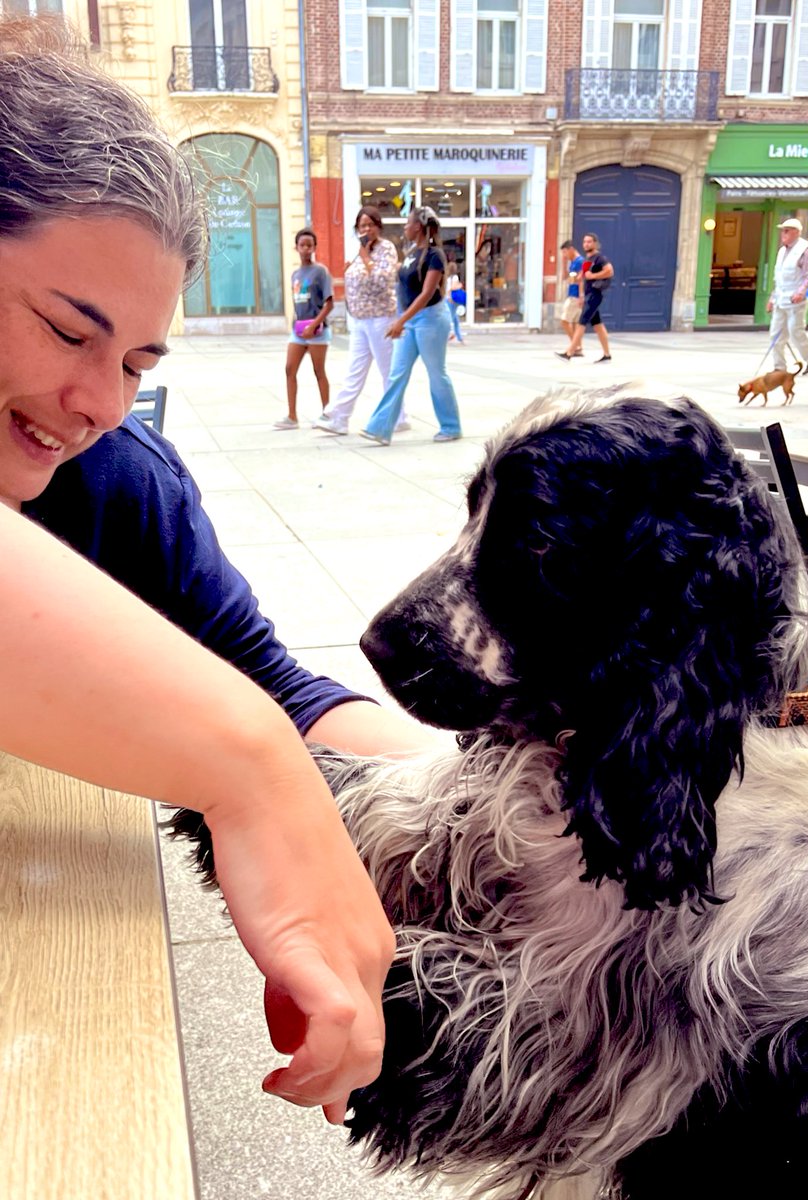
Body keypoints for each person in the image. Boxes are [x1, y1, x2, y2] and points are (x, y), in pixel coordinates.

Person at [0, 14, 431, 1111]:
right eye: (65, 329)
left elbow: (270, 682)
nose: (99, 402)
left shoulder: (113, 481)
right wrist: (251, 774)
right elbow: (254, 732)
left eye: (138, 360)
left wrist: (479, 802)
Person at [361, 207, 462, 446]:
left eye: (408, 223)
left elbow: (427, 293)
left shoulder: (435, 255)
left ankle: (451, 426)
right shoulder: (410, 253)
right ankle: (380, 428)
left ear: (418, 226)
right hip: (410, 320)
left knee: (436, 373)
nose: (405, 227)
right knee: (397, 373)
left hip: (431, 320)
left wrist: (400, 321)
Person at [314, 206, 409, 436]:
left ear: (378, 226)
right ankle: (340, 418)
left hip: (380, 319)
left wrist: (366, 259)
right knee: (355, 371)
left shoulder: (385, 248)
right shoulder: (360, 250)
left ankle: (398, 417)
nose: (365, 229)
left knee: (388, 371)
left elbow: (381, 280)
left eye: (369, 224)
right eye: (361, 225)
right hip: (360, 321)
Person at [275, 228, 333, 430]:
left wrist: (314, 325)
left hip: (317, 331)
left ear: (314, 247)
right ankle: (292, 416)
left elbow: (329, 304)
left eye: (310, 245)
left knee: (319, 372)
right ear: (296, 247)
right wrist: (297, 325)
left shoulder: (321, 271)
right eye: (302, 245)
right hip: (298, 331)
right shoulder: (295, 275)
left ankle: (327, 414)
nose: (306, 249)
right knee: (289, 369)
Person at [766, 218, 808, 375]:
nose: (783, 234)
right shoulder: (782, 251)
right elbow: (779, 277)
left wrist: (801, 292)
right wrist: (772, 298)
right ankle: (779, 367)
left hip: (796, 300)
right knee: (775, 334)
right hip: (781, 299)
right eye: (783, 230)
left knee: (795, 331)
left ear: (796, 232)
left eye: (787, 230)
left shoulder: (804, 249)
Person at [556, 232, 614, 364]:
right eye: (584, 242)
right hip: (588, 294)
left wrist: (592, 276)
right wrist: (580, 278)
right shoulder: (588, 259)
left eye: (589, 242)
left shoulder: (599, 258)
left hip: (595, 295)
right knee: (598, 325)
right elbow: (582, 276)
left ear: (595, 243)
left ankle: (569, 353)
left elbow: (610, 270)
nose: (586, 244)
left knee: (581, 323)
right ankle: (607, 355)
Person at [558, 238, 584, 348]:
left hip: (575, 296)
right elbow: (566, 277)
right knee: (574, 323)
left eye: (565, 252)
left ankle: (575, 346)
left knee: (564, 321)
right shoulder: (573, 262)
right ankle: (578, 347)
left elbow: (580, 279)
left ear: (571, 249)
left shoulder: (580, 261)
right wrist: (564, 264)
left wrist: (581, 296)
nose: (564, 255)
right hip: (573, 293)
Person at [445, 262, 466, 344]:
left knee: (454, 319)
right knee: (451, 319)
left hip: (447, 299)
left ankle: (459, 337)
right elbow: (453, 287)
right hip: (452, 300)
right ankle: (449, 335)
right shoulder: (455, 277)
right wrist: (460, 285)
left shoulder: (446, 278)